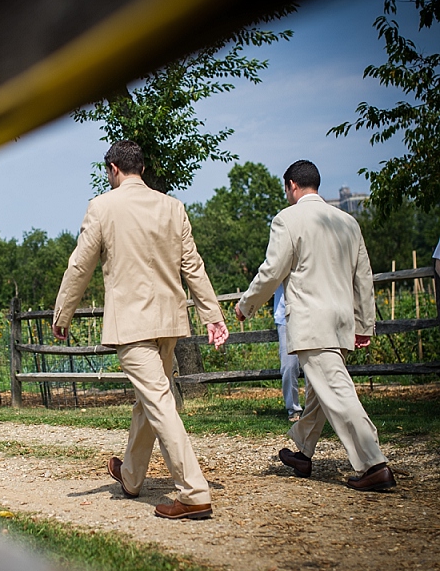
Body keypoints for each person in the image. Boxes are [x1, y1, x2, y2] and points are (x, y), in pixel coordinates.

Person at [52, 140, 229, 520]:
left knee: (159, 402)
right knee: (151, 400)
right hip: (169, 322)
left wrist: (63, 314)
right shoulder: (173, 207)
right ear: (142, 169)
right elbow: (193, 266)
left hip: (131, 325)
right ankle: (131, 476)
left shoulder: (102, 206)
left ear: (113, 169)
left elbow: (80, 266)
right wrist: (212, 315)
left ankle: (194, 493)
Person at [235, 160, 395, 492]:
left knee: (337, 392)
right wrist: (364, 323)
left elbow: (272, 270)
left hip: (311, 321)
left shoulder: (287, 219)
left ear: (292, 185)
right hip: (341, 321)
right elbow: (362, 277)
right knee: (320, 393)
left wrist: (245, 305)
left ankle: (374, 464)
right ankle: (303, 453)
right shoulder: (348, 221)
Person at [274, 282, 303, 422]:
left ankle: (314, 409)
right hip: (284, 318)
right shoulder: (278, 259)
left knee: (314, 366)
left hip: (310, 316)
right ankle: (293, 409)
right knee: (288, 366)